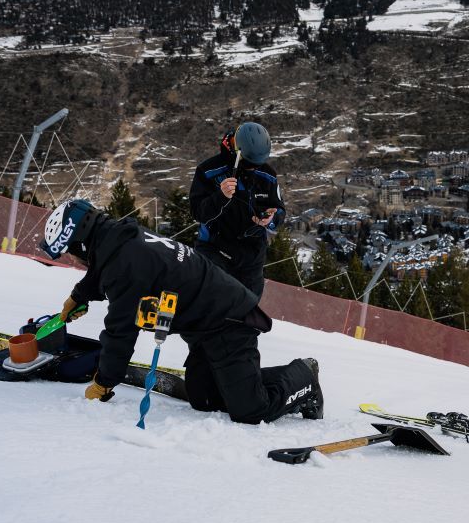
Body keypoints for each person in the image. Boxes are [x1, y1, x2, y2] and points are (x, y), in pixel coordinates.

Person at [40, 198, 323, 424]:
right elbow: (109, 270)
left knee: (250, 410)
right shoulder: (121, 239)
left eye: (69, 250)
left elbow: (121, 331)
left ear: (80, 242)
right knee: (204, 398)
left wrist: (104, 382)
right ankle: (247, 381)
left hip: (228, 319)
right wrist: (80, 296)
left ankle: (304, 376)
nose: (73, 258)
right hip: (203, 327)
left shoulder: (124, 262)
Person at [189, 121, 285, 298]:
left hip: (252, 256)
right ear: (237, 152)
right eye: (249, 164)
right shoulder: (208, 171)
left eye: (258, 164)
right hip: (216, 251)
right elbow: (197, 212)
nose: (254, 169)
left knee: (246, 309)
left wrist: (271, 219)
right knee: (211, 304)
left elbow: (279, 210)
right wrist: (220, 197)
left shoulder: (268, 175)